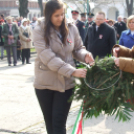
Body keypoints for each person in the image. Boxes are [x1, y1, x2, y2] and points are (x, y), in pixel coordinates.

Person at [33, 0, 94, 134]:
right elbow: (47, 56)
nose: (60, 18)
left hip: (66, 84)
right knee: (50, 124)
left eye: (62, 14)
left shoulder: (71, 27)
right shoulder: (39, 30)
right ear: (48, 15)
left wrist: (85, 55)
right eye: (56, 15)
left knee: (59, 122)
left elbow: (78, 48)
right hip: (45, 84)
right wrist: (72, 71)